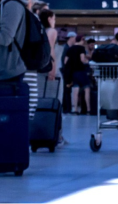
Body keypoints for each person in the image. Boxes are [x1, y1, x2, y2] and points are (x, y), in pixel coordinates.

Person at [38, 9, 65, 145]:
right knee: (56, 103)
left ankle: (41, 132)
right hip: (51, 71)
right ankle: (57, 135)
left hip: (40, 71)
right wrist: (53, 69)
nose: (55, 21)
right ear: (49, 18)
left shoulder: (39, 31)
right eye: (54, 18)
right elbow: (51, 50)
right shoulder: (52, 32)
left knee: (41, 102)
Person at [64, 35, 92, 114]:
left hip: (73, 72)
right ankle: (88, 109)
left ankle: (75, 109)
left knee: (75, 91)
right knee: (87, 89)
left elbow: (65, 62)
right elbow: (82, 59)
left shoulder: (70, 49)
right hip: (81, 72)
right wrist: (87, 62)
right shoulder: (81, 48)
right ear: (82, 40)